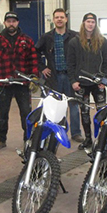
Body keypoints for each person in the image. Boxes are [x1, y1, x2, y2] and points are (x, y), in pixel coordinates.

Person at [0, 11, 39, 150]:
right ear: (5, 23)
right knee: (2, 114)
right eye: (9, 21)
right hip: (4, 83)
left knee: (26, 114)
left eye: (14, 21)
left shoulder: (27, 40)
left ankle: (28, 139)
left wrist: (34, 77)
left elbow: (33, 61)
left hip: (22, 83)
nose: (11, 24)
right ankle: (0, 139)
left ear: (17, 23)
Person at [35, 8, 83, 143]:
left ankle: (76, 133)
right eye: (57, 17)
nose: (59, 19)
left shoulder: (75, 36)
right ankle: (55, 131)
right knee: (55, 105)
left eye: (62, 17)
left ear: (66, 19)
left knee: (73, 105)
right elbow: (35, 52)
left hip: (71, 77)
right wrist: (42, 68)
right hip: (54, 77)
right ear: (53, 20)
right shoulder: (46, 37)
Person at [67, 13, 107, 151]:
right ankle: (88, 139)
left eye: (93, 22)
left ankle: (103, 139)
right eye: (88, 21)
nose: (90, 24)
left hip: (98, 83)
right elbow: (70, 64)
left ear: (95, 24)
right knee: (84, 112)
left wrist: (104, 79)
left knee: (102, 112)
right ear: (83, 23)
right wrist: (73, 81)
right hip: (81, 84)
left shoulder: (102, 41)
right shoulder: (74, 42)